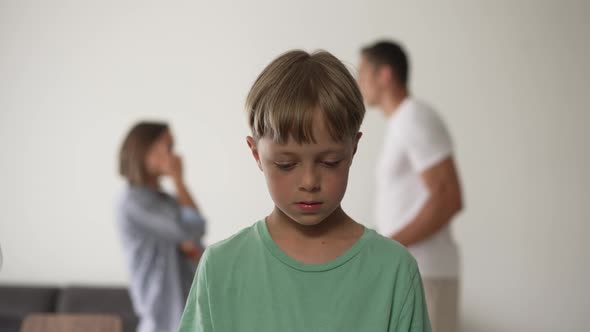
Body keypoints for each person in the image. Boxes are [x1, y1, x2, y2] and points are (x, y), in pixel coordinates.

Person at [178, 50, 431, 332]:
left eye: (329, 162)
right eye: (286, 164)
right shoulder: (219, 269)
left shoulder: (394, 271)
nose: (309, 181)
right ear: (256, 154)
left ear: (354, 149)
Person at [357, 40, 464, 332]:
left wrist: (388, 245)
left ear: (385, 75)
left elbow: (448, 197)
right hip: (411, 271)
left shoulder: (414, 118)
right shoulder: (400, 123)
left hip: (427, 271)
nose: (359, 81)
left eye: (363, 73)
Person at [117, 122, 206, 332]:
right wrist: (178, 178)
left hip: (186, 313)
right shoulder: (132, 202)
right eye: (167, 147)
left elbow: (196, 236)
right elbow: (192, 229)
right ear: (146, 150)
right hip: (161, 320)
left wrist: (189, 242)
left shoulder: (165, 201)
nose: (173, 156)